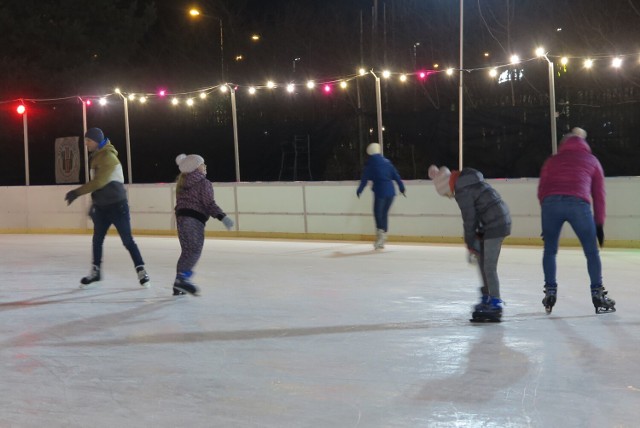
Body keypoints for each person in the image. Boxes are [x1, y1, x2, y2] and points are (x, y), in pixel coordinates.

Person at [538, 127, 615, 314]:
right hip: (577, 204)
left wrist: (547, 216)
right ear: (584, 144)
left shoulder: (552, 160)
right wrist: (599, 223)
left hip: (551, 205)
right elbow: (599, 195)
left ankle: (550, 291)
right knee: (591, 252)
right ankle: (597, 294)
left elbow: (542, 189)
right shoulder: (592, 160)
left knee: (550, 250)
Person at [64, 127, 150, 289]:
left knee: (127, 240)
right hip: (102, 208)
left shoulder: (109, 157)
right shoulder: (95, 157)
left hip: (117, 206)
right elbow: (98, 187)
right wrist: (94, 204)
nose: (86, 144)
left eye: (88, 141)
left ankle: (141, 270)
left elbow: (99, 182)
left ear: (96, 141)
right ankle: (96, 271)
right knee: (97, 240)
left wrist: (77, 192)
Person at [428, 165, 511, 322]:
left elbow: (469, 218)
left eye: (447, 194)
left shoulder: (462, 189)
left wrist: (469, 241)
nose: (450, 197)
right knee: (481, 259)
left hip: (496, 224)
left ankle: (495, 302)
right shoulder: (468, 182)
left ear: (448, 186)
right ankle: (487, 296)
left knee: (488, 266)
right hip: (492, 222)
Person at [173, 154, 234, 296]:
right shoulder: (204, 182)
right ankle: (182, 279)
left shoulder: (182, 183)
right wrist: (222, 217)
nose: (205, 166)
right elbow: (209, 204)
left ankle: (178, 284)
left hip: (181, 219)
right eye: (202, 164)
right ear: (195, 167)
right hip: (194, 220)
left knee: (187, 251)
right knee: (194, 251)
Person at [356, 143, 405, 249]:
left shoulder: (370, 164)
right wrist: (402, 187)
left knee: (378, 214)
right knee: (384, 214)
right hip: (391, 193)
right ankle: (383, 235)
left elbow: (364, 179)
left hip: (380, 192)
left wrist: (359, 190)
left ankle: (381, 236)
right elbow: (396, 176)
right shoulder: (387, 162)